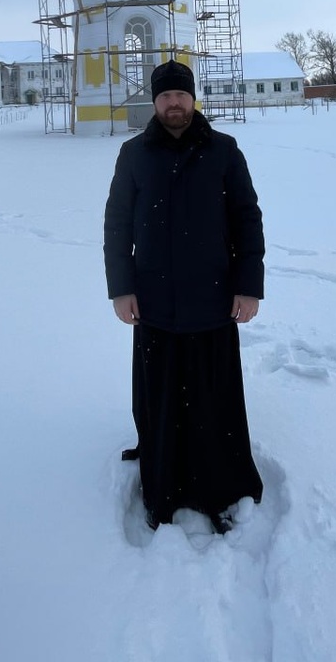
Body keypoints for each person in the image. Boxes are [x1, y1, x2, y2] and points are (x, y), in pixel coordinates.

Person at [103, 58, 264, 533]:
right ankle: (165, 486)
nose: (174, 103)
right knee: (162, 399)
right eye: (165, 96)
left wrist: (248, 286)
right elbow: (117, 225)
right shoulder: (134, 154)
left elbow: (247, 219)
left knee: (215, 401)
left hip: (214, 299)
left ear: (193, 98)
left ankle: (221, 488)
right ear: (154, 102)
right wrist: (121, 289)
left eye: (181, 95)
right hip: (155, 303)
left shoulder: (224, 150)